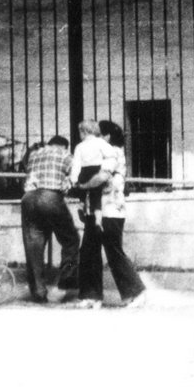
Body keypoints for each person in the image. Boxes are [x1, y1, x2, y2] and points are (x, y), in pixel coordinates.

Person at [19, 136, 80, 304]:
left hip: (29, 198)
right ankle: (65, 283)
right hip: (50, 197)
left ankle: (38, 292)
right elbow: (76, 174)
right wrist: (68, 184)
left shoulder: (34, 154)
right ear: (64, 146)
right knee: (71, 240)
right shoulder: (64, 154)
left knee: (34, 246)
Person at [93, 119, 146, 308]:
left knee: (114, 251)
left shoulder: (111, 153)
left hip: (111, 207)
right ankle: (130, 293)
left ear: (107, 136)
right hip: (112, 207)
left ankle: (137, 290)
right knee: (113, 251)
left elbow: (102, 176)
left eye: (98, 135)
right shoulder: (117, 152)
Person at [68, 119, 115, 310]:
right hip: (99, 188)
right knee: (90, 248)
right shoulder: (103, 144)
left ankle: (91, 295)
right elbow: (110, 160)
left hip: (87, 182)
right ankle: (92, 295)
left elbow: (75, 168)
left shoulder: (80, 147)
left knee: (89, 249)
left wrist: (75, 182)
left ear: (83, 131)